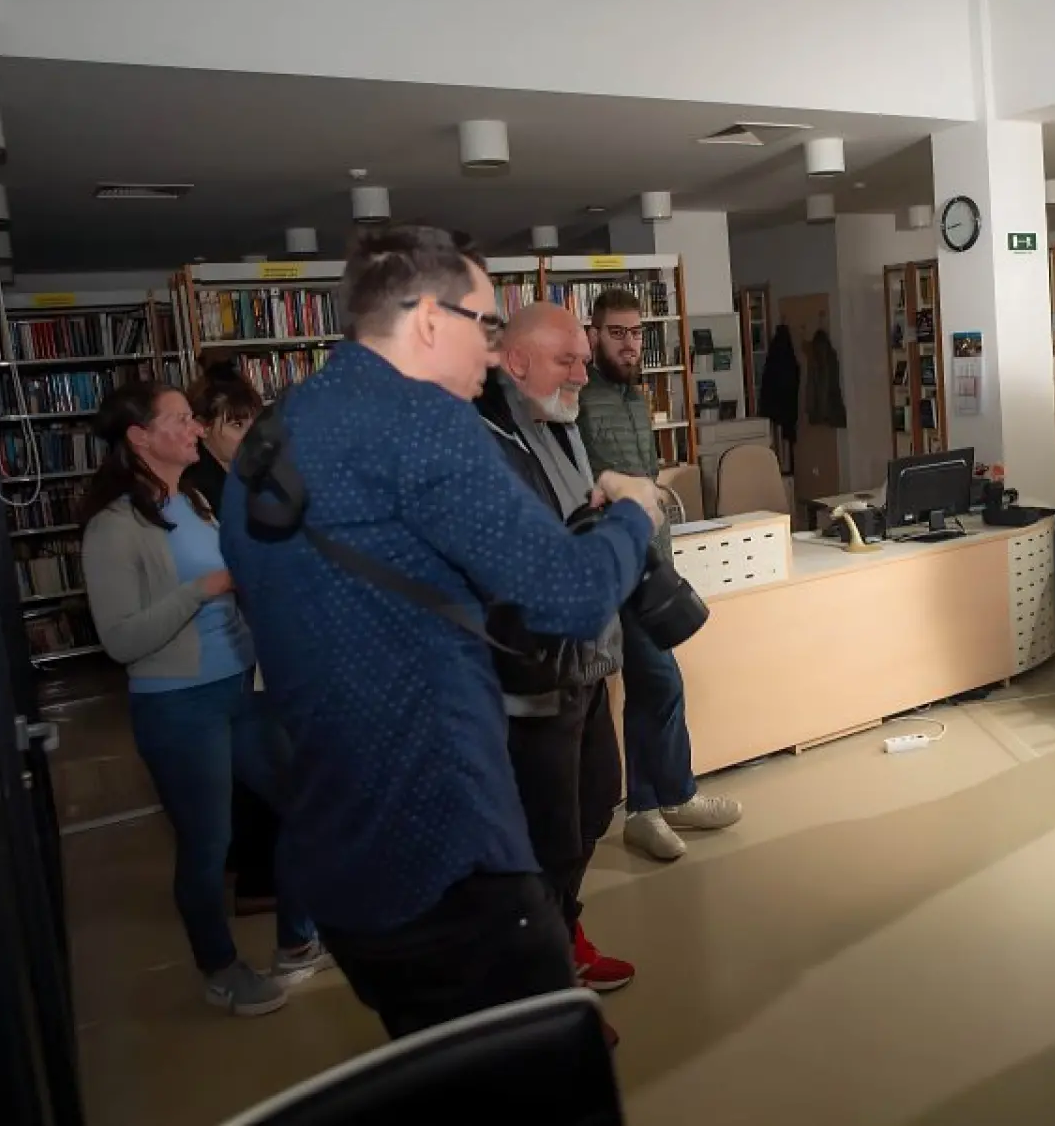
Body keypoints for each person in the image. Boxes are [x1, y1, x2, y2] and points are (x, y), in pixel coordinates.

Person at [217, 227, 666, 1040]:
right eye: (485, 326)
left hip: (339, 847)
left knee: (443, 1068)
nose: (493, 354)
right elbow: (570, 598)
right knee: (540, 1078)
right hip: (449, 846)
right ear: (428, 320)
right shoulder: (422, 423)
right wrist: (635, 513)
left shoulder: (271, 436)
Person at [80, 381, 328, 1017]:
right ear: (139, 437)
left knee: (305, 805)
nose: (196, 428)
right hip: (178, 704)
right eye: (182, 420)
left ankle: (297, 942)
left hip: (241, 687)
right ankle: (220, 968)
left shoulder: (193, 501)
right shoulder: (114, 528)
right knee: (207, 844)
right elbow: (120, 639)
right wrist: (206, 588)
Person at [473, 303, 636, 1002]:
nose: (581, 374)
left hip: (584, 661)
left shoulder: (557, 423)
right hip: (529, 675)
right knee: (547, 836)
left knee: (595, 805)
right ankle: (542, 983)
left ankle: (562, 934)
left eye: (582, 359)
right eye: (566, 360)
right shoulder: (482, 441)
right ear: (515, 362)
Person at [577, 287, 743, 862]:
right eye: (617, 332)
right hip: (611, 563)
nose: (630, 343)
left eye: (636, 332)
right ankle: (661, 802)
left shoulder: (635, 395)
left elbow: (642, 475)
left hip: (651, 560)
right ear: (593, 335)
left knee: (653, 686)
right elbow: (582, 483)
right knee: (660, 681)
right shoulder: (578, 398)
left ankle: (659, 803)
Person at [182, 365, 279, 917]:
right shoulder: (198, 489)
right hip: (228, 635)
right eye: (235, 425)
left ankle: (248, 865)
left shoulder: (239, 475)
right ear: (205, 427)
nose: (247, 435)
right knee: (258, 760)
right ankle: (259, 878)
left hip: (247, 628)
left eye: (251, 423)